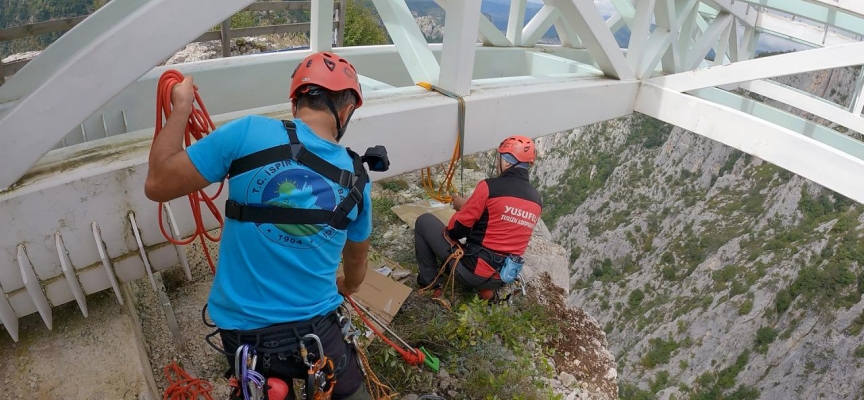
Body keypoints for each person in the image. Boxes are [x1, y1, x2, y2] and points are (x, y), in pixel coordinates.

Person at [144, 51, 374, 400]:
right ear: (345, 111)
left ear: (296, 101)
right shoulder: (358, 179)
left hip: (244, 331)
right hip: (316, 329)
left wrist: (181, 108)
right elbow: (356, 268)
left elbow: (158, 183)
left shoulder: (247, 133)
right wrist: (345, 284)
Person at [414, 136, 543, 299]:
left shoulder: (489, 187)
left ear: (507, 162)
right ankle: (486, 290)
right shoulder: (536, 201)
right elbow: (501, 225)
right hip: (503, 278)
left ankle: (429, 280)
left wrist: (463, 208)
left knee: (424, 222)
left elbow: (454, 231)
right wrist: (470, 206)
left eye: (500, 159)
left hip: (473, 272)